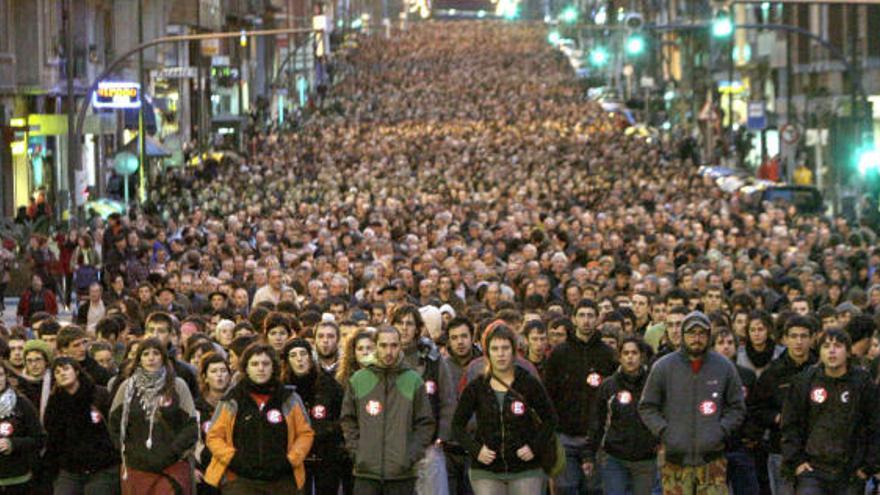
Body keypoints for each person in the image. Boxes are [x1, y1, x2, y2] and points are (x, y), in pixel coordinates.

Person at [639, 311, 745, 494]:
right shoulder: (663, 367)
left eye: (702, 333)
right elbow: (647, 406)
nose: (697, 338)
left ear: (708, 336)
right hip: (675, 462)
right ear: (682, 335)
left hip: (713, 461)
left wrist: (720, 430)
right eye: (691, 333)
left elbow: (737, 407)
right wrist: (665, 430)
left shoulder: (724, 367)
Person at [451, 322, 556, 495]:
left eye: (505, 348)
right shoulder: (477, 386)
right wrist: (476, 450)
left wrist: (534, 447)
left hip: (525, 468)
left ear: (514, 351)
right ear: (487, 353)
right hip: (487, 469)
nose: (500, 354)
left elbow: (550, 419)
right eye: (495, 349)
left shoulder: (528, 383)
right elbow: (457, 425)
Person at [205, 342, 315, 494]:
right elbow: (214, 436)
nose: (261, 368)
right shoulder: (232, 399)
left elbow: (305, 433)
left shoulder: (289, 398)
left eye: (265, 363)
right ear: (246, 368)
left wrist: (290, 460)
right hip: (240, 480)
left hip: (283, 479)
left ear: (273, 367)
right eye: (255, 364)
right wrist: (233, 459)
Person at [781, 329, 880, 494]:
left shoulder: (863, 384)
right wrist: (796, 461)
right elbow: (790, 423)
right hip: (812, 470)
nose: (832, 351)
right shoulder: (804, 381)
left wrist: (867, 467)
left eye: (838, 346)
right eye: (826, 346)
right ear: (819, 352)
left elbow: (876, 425)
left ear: (848, 352)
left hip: (850, 473)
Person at [340, 326, 435, 494]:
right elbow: (348, 420)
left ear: (400, 347)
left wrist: (410, 456)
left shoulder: (413, 380)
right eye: (383, 345)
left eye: (393, 345)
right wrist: (358, 452)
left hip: (401, 475)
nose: (388, 351)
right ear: (376, 346)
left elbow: (425, 423)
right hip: (366, 474)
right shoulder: (359, 380)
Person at [543, 299, 617, 494]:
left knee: (594, 491)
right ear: (574, 319)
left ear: (597, 319)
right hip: (565, 436)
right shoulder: (559, 354)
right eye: (582, 315)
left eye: (590, 315)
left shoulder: (608, 355)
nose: (586, 321)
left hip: (597, 441)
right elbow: (547, 395)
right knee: (566, 489)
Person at [109, 338, 198, 495]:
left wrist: (172, 451)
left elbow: (191, 427)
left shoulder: (178, 386)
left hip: (171, 466)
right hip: (136, 467)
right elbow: (114, 426)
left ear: (163, 357)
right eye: (145, 354)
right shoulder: (126, 388)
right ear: (139, 359)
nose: (151, 358)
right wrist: (130, 452)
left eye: (156, 353)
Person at [752, 315, 817, 495]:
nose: (798, 341)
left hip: (816, 452)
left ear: (812, 339)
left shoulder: (821, 370)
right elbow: (756, 409)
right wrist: (776, 417)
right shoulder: (772, 373)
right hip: (780, 451)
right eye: (794, 336)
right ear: (785, 339)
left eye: (804, 336)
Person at [584, 337, 658, 495]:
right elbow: (597, 421)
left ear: (642, 356)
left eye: (634, 353)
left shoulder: (653, 384)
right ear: (619, 357)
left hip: (646, 458)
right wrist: (589, 454)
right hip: (615, 457)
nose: (630, 357)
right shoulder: (609, 386)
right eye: (625, 353)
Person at [43, 356, 120, 494]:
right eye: (58, 372)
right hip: (71, 469)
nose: (62, 373)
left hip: (103, 467)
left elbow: (115, 425)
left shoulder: (99, 394)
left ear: (77, 371)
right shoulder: (54, 402)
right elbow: (53, 437)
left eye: (66, 369)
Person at [283, 338, 351, 495]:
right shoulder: (282, 389)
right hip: (294, 457)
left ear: (310, 357)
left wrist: (322, 429)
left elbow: (343, 416)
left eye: (303, 354)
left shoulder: (328, 384)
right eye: (293, 355)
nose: (299, 359)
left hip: (326, 454)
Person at [0, 364, 45, 493]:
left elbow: (40, 439)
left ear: (6, 377)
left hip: (18, 481)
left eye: (1, 375)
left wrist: (13, 444)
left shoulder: (21, 403)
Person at [193, 352, 230, 495]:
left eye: (223, 371)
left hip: (233, 471)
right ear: (205, 377)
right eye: (214, 371)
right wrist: (192, 468)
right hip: (205, 473)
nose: (219, 375)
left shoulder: (238, 403)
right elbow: (190, 443)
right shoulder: (196, 407)